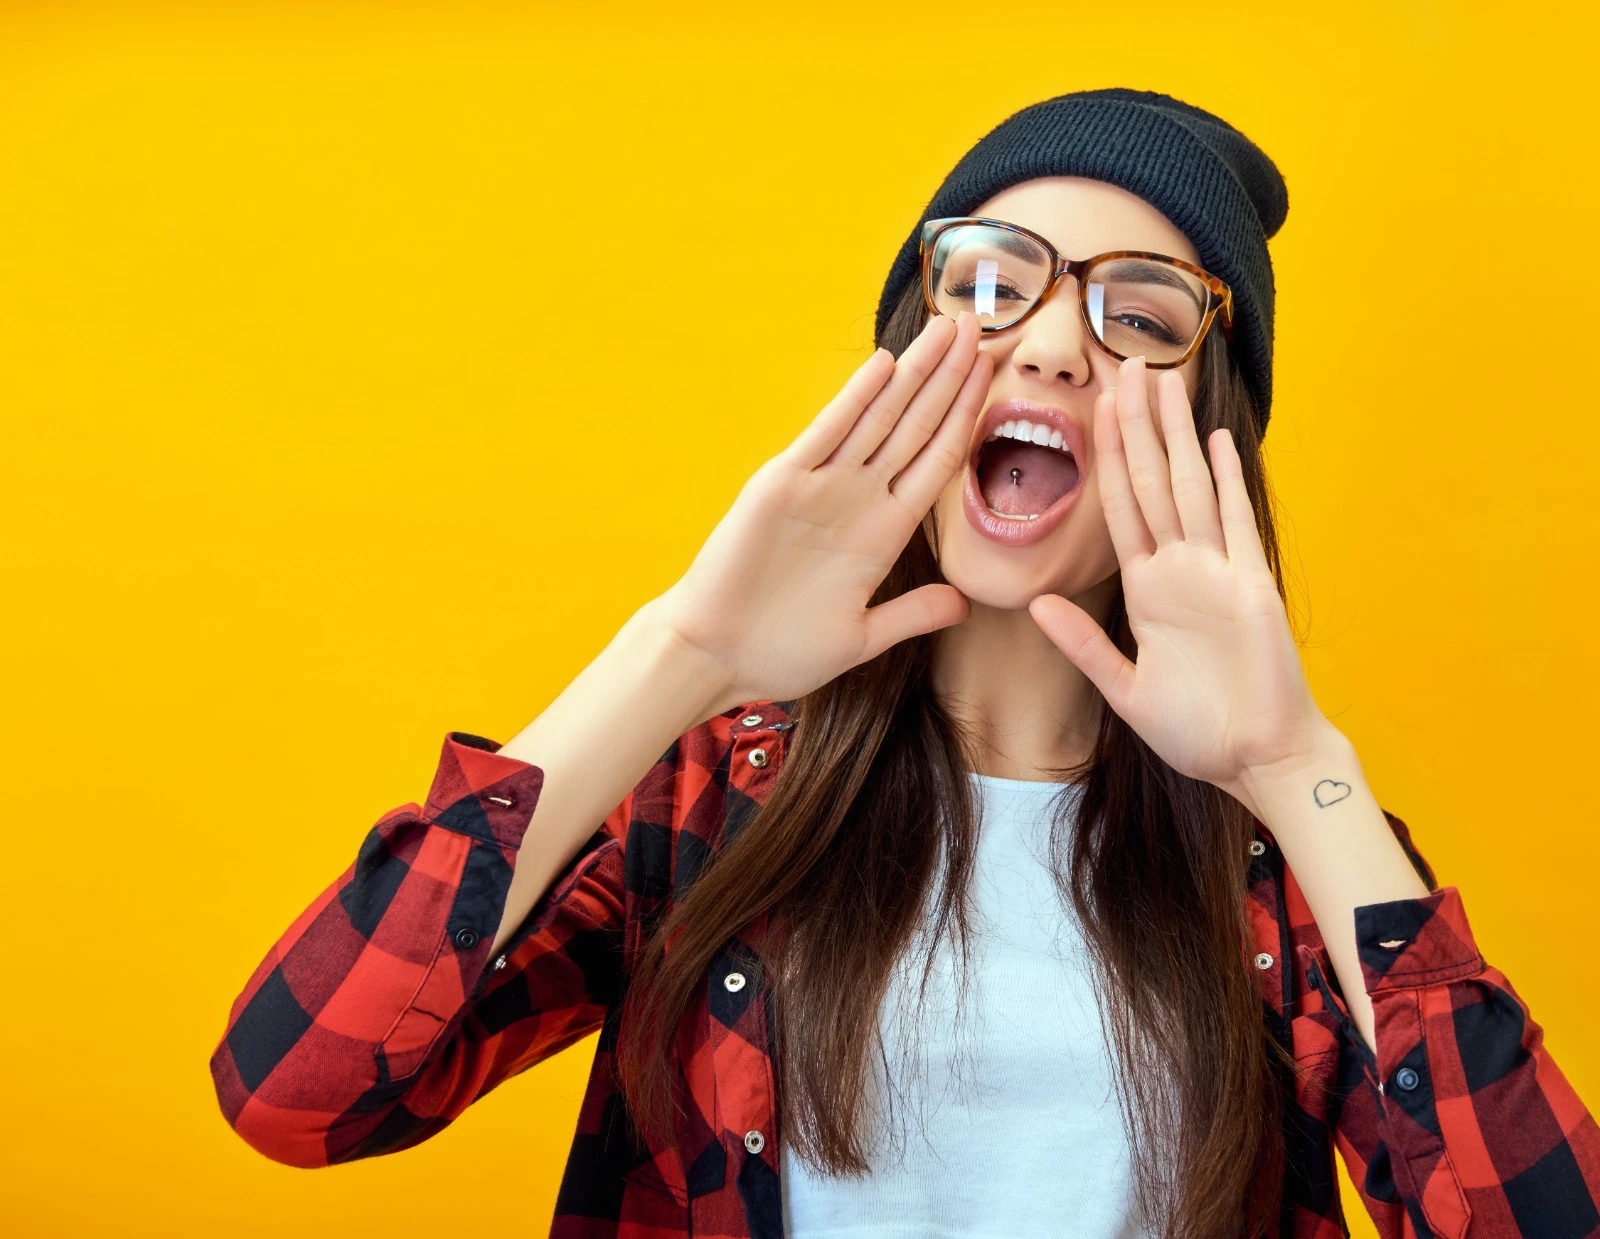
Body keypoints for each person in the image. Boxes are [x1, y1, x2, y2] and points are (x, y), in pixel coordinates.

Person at [210, 88, 1600, 1238]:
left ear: (1206, 438)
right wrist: (683, 650)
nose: (1053, 343)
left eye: (1141, 316)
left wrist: (1297, 771)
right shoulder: (705, 801)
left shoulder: (1286, 871)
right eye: (997, 283)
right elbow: (298, 1088)